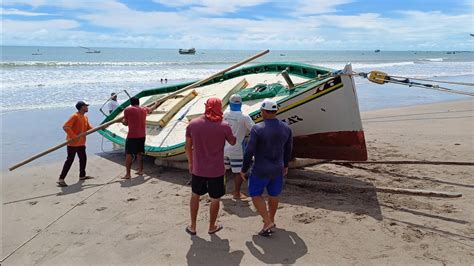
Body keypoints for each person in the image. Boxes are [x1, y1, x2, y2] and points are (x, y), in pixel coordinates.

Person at [240, 98, 292, 237]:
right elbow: (288, 150)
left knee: (255, 194)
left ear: (263, 111)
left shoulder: (257, 128)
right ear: (275, 111)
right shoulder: (286, 128)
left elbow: (249, 151)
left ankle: (268, 221)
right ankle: (270, 221)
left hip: (260, 169)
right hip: (278, 168)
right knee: (274, 195)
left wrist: (244, 169)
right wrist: (286, 165)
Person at [185, 97, 236, 235]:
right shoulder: (224, 125)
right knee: (215, 199)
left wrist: (190, 162)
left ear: (206, 106)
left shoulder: (193, 124)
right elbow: (232, 142)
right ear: (220, 108)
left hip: (198, 168)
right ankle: (212, 226)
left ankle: (193, 226)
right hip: (216, 170)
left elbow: (188, 147)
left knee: (195, 195)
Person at [223, 94, 254, 200]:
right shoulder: (245, 117)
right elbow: (254, 130)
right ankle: (236, 193)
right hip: (237, 149)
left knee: (224, 170)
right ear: (241, 104)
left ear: (230, 103)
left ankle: (221, 190)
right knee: (238, 171)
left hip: (224, 148)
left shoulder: (225, 114)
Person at [57, 101, 94, 187]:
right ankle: (61, 179)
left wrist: (100, 128)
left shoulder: (85, 117)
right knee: (70, 160)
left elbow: (88, 128)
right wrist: (73, 136)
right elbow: (66, 127)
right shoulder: (75, 116)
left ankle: (82, 176)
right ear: (82, 107)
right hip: (72, 144)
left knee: (83, 159)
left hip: (81, 143)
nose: (87, 107)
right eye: (86, 106)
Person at [122, 97, 151, 179]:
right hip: (142, 135)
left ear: (131, 103)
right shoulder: (144, 109)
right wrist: (156, 104)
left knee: (129, 153)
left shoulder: (128, 110)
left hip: (132, 135)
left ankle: (128, 174)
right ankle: (141, 170)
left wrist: (122, 121)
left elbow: (126, 123)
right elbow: (151, 109)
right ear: (138, 102)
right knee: (140, 152)